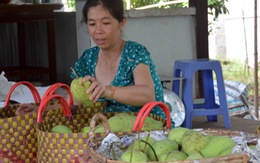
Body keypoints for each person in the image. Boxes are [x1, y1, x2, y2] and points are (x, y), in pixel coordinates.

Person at [71, 0, 173, 126]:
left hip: (148, 130)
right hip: (106, 134)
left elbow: (147, 95)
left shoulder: (134, 53)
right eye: (92, 24)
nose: (98, 30)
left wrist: (109, 91)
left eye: (106, 23)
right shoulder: (87, 59)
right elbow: (75, 103)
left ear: (122, 22)